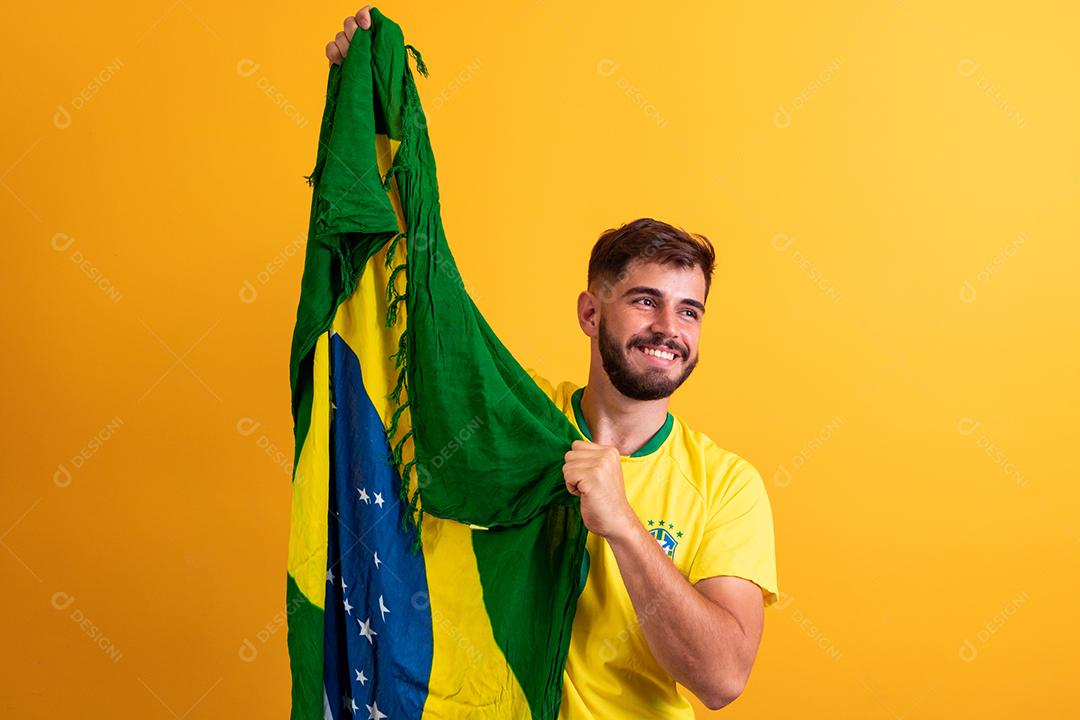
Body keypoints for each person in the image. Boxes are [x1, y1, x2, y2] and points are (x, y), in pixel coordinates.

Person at [324, 9, 780, 717]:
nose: (669, 329)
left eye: (689, 311)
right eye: (646, 302)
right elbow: (408, 336)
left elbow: (722, 678)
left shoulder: (726, 485)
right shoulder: (518, 422)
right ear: (591, 313)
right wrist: (372, 118)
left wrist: (622, 524)